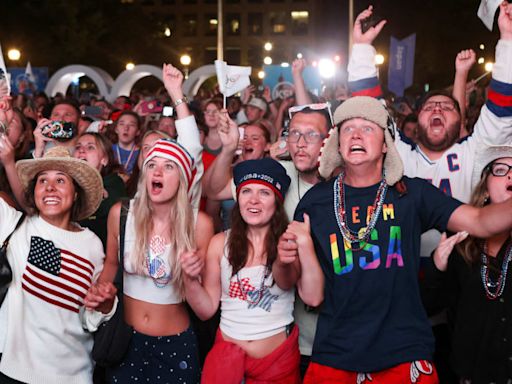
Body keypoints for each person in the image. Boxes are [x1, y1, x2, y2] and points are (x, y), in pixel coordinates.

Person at [292, 96, 512, 383]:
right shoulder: (316, 202)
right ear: (337, 143)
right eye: (347, 129)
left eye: (368, 128)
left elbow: (481, 222)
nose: (356, 134)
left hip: (403, 351)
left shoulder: (412, 194)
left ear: (385, 144)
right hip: (336, 352)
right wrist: (292, 254)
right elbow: (306, 293)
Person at [204, 102, 332, 376]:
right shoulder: (276, 174)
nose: (300, 143)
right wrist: (228, 149)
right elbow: (213, 190)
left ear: (329, 139)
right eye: (294, 133)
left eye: (311, 135)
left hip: (335, 330)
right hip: (287, 328)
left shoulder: (346, 186)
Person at [183, 158, 322, 383]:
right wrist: (188, 279)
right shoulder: (219, 243)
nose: (253, 200)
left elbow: (305, 292)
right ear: (237, 198)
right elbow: (206, 309)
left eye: (264, 193)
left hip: (277, 365)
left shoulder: (288, 241)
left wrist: (296, 250)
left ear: (276, 202)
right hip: (227, 365)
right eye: (246, 191)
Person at [88, 138, 213, 383]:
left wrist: (191, 276)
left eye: (169, 166)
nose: (157, 171)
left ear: (183, 179)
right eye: (151, 165)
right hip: (126, 341)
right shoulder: (122, 214)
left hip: (176, 344)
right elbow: (111, 265)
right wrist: (98, 296)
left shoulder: (199, 224)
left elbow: (204, 308)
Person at [0, 146, 116, 383]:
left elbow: (87, 318)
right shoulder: (13, 226)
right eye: (42, 180)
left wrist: (104, 305)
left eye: (60, 180)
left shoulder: (92, 244)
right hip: (16, 371)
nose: (50, 187)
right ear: (34, 193)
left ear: (75, 194)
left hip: (74, 376)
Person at [422, 145, 512, 383]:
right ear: (485, 188)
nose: (511, 175)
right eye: (501, 169)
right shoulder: (462, 245)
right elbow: (431, 307)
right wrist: (437, 265)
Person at [74, 132, 127, 247]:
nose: (81, 150)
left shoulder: (114, 184)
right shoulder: (66, 183)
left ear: (104, 159)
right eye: (78, 147)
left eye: (90, 147)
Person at [112, 111, 141, 176]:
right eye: (122, 124)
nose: (126, 128)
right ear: (116, 129)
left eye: (131, 125)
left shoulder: (141, 154)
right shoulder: (107, 150)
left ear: (138, 131)